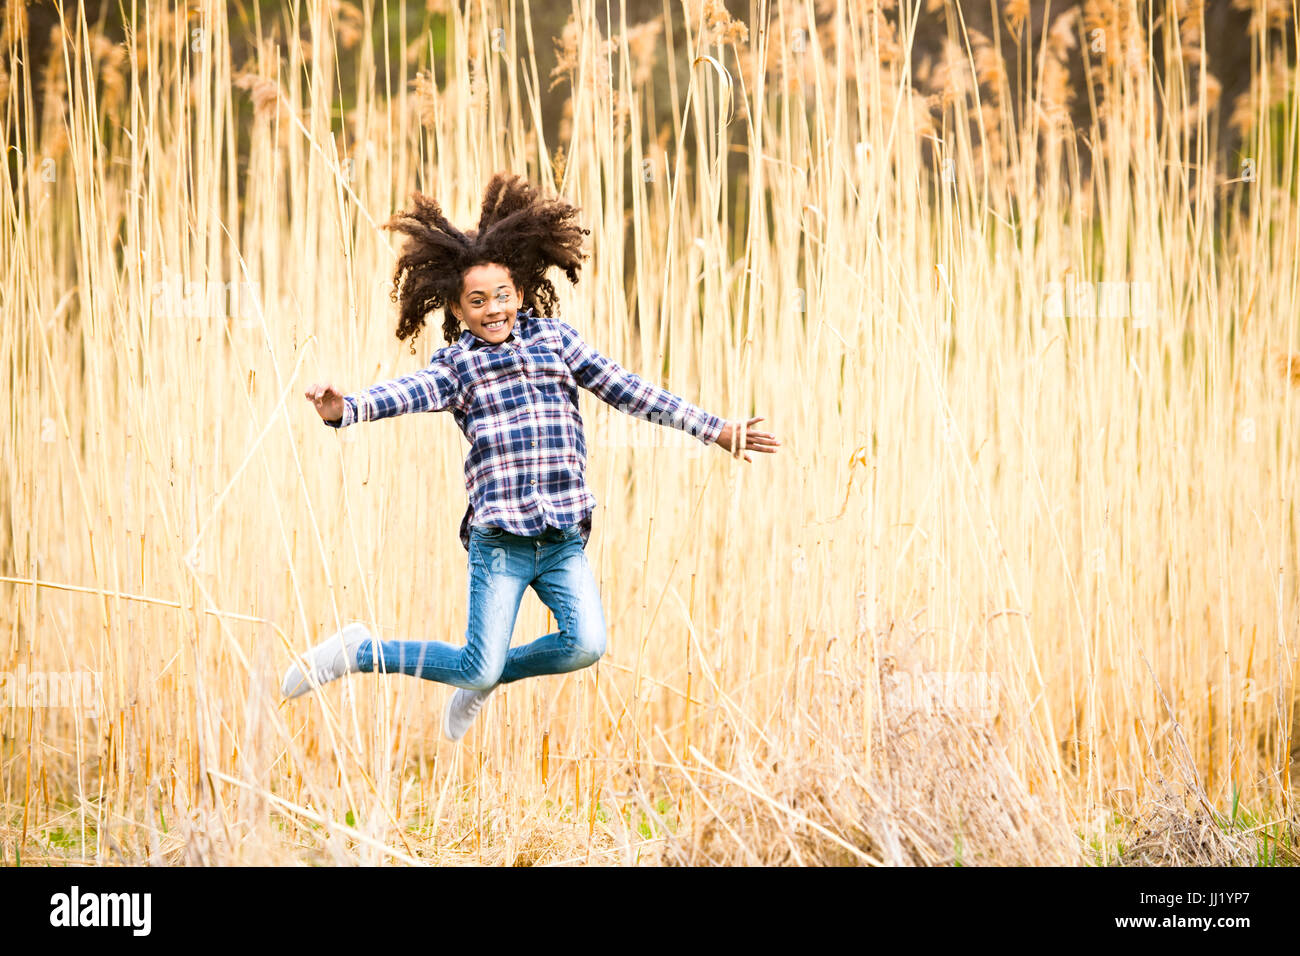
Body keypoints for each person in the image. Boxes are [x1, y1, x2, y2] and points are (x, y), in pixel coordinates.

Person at [281, 172, 780, 742]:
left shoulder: (558, 343)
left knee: (586, 645)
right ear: (457, 307)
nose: (492, 309)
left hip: (563, 536)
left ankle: (485, 678)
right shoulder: (456, 366)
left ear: (519, 293)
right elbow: (401, 394)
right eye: (477, 301)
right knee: (478, 660)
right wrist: (344, 408)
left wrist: (714, 429)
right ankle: (360, 651)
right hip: (501, 544)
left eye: (501, 296)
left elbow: (631, 390)